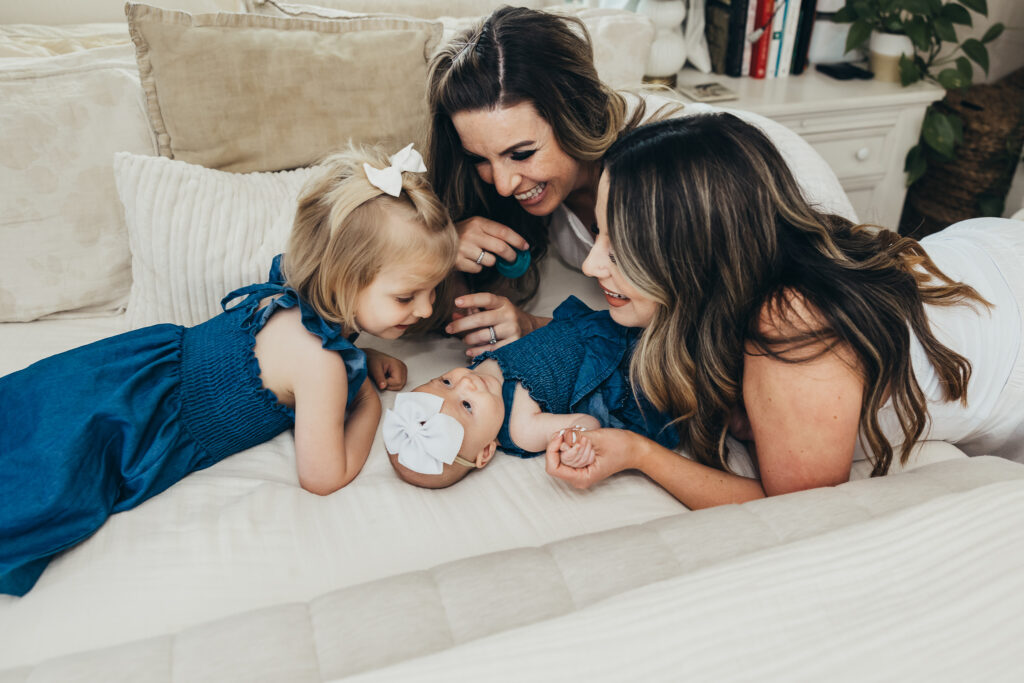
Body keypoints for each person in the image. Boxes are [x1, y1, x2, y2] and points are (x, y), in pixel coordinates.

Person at [0, 143, 458, 596]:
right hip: (144, 426)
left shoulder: (283, 293)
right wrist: (366, 404)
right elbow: (323, 477)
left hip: (128, 370)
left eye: (433, 292)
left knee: (30, 414)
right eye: (407, 296)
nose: (425, 309)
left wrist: (365, 357)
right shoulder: (323, 369)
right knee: (43, 486)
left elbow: (301, 347)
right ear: (343, 280)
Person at [545, 112, 1024, 510]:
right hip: (982, 254)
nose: (591, 263)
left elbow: (797, 508)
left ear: (691, 254)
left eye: (619, 247)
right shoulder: (747, 267)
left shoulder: (791, 325)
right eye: (598, 232)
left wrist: (638, 453)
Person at [425, 5, 853, 357]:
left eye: (522, 154)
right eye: (478, 159)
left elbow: (701, 335)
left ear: (576, 115)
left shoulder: (671, 176)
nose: (501, 184)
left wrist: (538, 326)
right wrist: (441, 245)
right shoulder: (534, 188)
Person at [381, 296, 677, 489]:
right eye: (468, 406)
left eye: (445, 382)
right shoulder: (521, 429)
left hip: (597, 329)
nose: (466, 384)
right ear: (486, 451)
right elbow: (588, 424)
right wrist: (575, 443)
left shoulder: (480, 373)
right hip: (620, 367)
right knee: (677, 351)